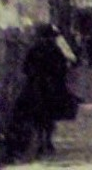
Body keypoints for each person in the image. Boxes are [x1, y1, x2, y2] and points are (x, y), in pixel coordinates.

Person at [14, 23, 74, 157]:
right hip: (52, 86)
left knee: (36, 114)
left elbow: (25, 67)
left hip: (36, 85)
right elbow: (62, 68)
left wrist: (33, 76)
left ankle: (41, 140)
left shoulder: (34, 49)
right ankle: (47, 140)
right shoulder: (55, 49)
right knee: (50, 115)